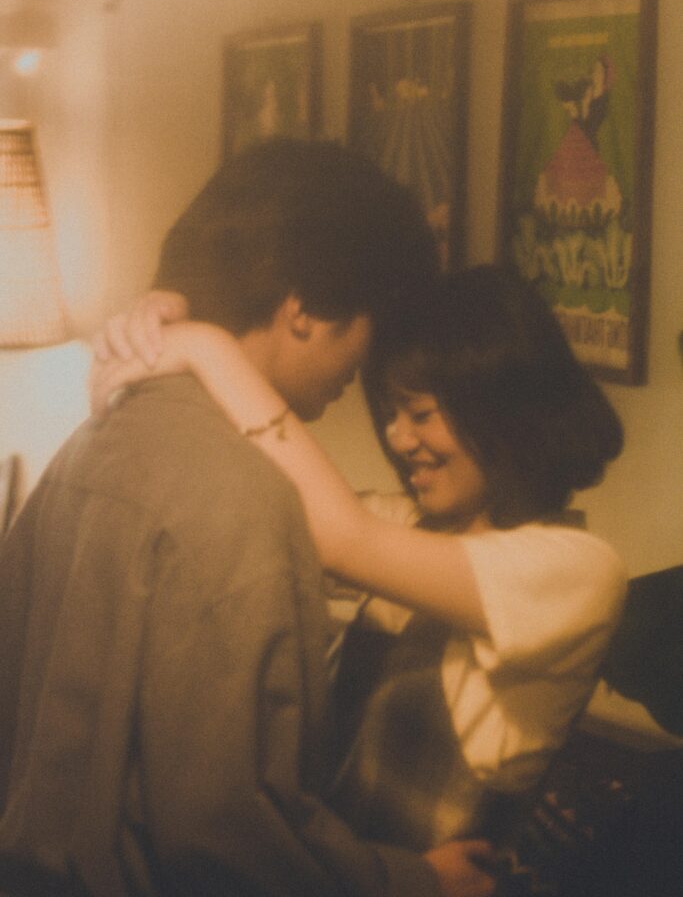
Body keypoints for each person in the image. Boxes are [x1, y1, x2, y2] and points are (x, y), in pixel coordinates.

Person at [0, 138, 498, 897]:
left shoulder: (95, 440)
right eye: (368, 326)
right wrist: (409, 881)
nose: (362, 368)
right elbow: (223, 830)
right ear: (304, 311)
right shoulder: (242, 498)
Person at [89, 263, 628, 858]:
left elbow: (344, 541)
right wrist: (170, 314)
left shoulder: (578, 571)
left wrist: (208, 347)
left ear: (503, 410)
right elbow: (265, 485)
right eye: (391, 415)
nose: (397, 438)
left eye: (419, 414)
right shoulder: (409, 524)